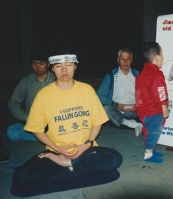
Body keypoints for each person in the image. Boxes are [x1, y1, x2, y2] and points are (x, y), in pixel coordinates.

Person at [10, 50, 123, 197]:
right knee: (22, 175)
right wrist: (58, 150)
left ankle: (69, 167)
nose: (64, 70)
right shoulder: (44, 95)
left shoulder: (86, 90)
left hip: (85, 150)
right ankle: (79, 170)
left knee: (115, 158)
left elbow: (97, 122)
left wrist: (86, 145)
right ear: (52, 68)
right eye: (59, 66)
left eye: (69, 65)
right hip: (57, 152)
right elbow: (37, 129)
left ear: (75, 66)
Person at [7, 50, 55, 142]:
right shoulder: (25, 82)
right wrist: (26, 118)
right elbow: (13, 103)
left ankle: (45, 137)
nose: (38, 67)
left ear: (48, 64)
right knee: (12, 132)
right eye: (34, 63)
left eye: (41, 63)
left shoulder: (55, 80)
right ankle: (46, 138)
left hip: (53, 122)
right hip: (33, 123)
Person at [136, 41, 169, 163]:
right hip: (153, 110)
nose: (163, 57)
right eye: (162, 54)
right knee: (153, 131)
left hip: (144, 110)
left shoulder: (143, 73)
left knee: (149, 130)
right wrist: (164, 107)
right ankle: (148, 154)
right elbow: (159, 91)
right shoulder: (155, 74)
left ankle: (151, 149)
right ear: (156, 57)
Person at [96, 48, 142, 136]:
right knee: (106, 109)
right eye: (122, 59)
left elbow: (146, 94)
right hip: (118, 111)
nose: (125, 62)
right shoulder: (111, 75)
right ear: (118, 60)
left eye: (128, 59)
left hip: (136, 110)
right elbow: (100, 96)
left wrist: (138, 105)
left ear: (131, 60)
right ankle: (132, 124)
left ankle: (129, 122)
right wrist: (116, 105)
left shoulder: (138, 75)